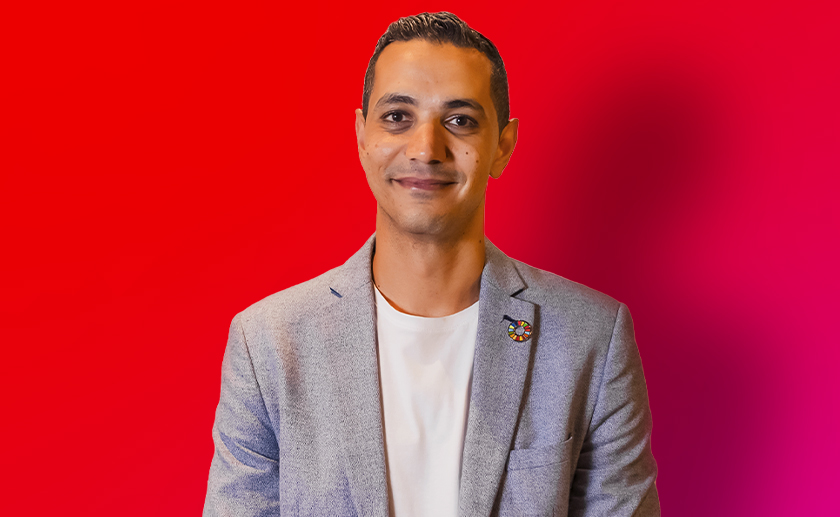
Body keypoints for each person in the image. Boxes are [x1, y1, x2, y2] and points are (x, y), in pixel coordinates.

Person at [204, 11, 659, 517]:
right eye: (397, 116)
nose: (426, 148)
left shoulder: (592, 338)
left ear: (502, 146)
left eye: (460, 120)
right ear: (361, 135)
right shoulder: (268, 342)